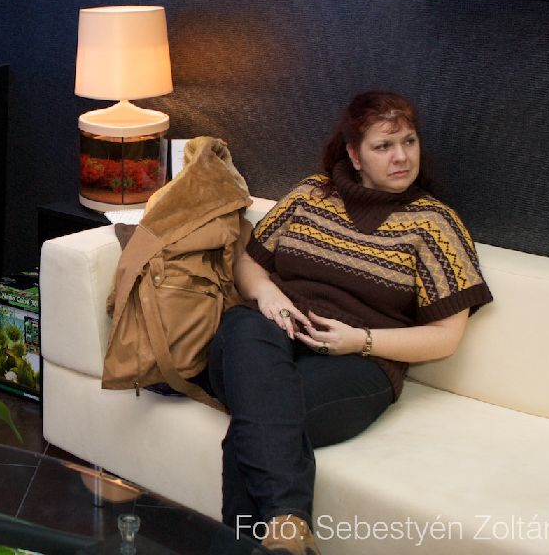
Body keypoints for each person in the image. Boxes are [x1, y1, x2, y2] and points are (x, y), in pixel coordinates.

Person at [201, 91, 493, 555]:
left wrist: (361, 340)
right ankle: (289, 527)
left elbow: (446, 337)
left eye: (409, 142)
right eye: (384, 146)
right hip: (268, 335)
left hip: (357, 363)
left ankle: (283, 530)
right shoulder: (310, 195)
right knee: (246, 328)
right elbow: (249, 263)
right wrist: (268, 293)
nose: (402, 157)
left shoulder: (435, 224)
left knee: (256, 426)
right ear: (355, 155)